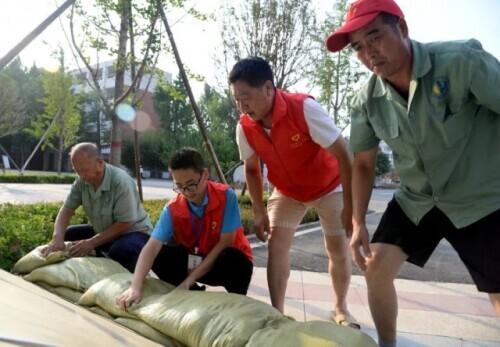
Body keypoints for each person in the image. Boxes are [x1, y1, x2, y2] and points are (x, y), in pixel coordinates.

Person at [325, 0, 500, 346]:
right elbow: (362, 162)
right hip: (417, 200)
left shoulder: (461, 63)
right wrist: (358, 221)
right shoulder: (366, 99)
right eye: (358, 47)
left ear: (402, 29)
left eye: (374, 37)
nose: (368, 53)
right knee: (375, 269)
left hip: (480, 199)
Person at [229, 57, 357, 328]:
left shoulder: (304, 109)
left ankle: (341, 308)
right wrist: (259, 211)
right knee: (276, 246)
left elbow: (344, 153)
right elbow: (252, 169)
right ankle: (277, 313)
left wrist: (350, 205)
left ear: (267, 88)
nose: (242, 106)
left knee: (336, 248)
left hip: (329, 185)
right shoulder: (245, 126)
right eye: (236, 99)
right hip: (288, 190)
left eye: (246, 97)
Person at [116, 148, 253, 310]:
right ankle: (192, 292)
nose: (186, 192)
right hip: (195, 260)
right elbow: (151, 247)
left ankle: (237, 302)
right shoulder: (173, 208)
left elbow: (225, 243)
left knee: (233, 257)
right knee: (160, 254)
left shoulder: (226, 196)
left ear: (205, 175)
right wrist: (135, 286)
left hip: (223, 263)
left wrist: (189, 279)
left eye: (191, 184)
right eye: (179, 186)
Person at [41, 143, 152, 272]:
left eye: (84, 170)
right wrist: (57, 238)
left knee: (121, 250)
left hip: (134, 232)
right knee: (69, 234)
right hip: (105, 230)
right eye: (77, 171)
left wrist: (91, 243)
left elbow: (126, 222)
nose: (81, 175)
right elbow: (66, 210)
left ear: (99, 162)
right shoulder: (81, 182)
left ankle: (130, 278)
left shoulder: (121, 181)